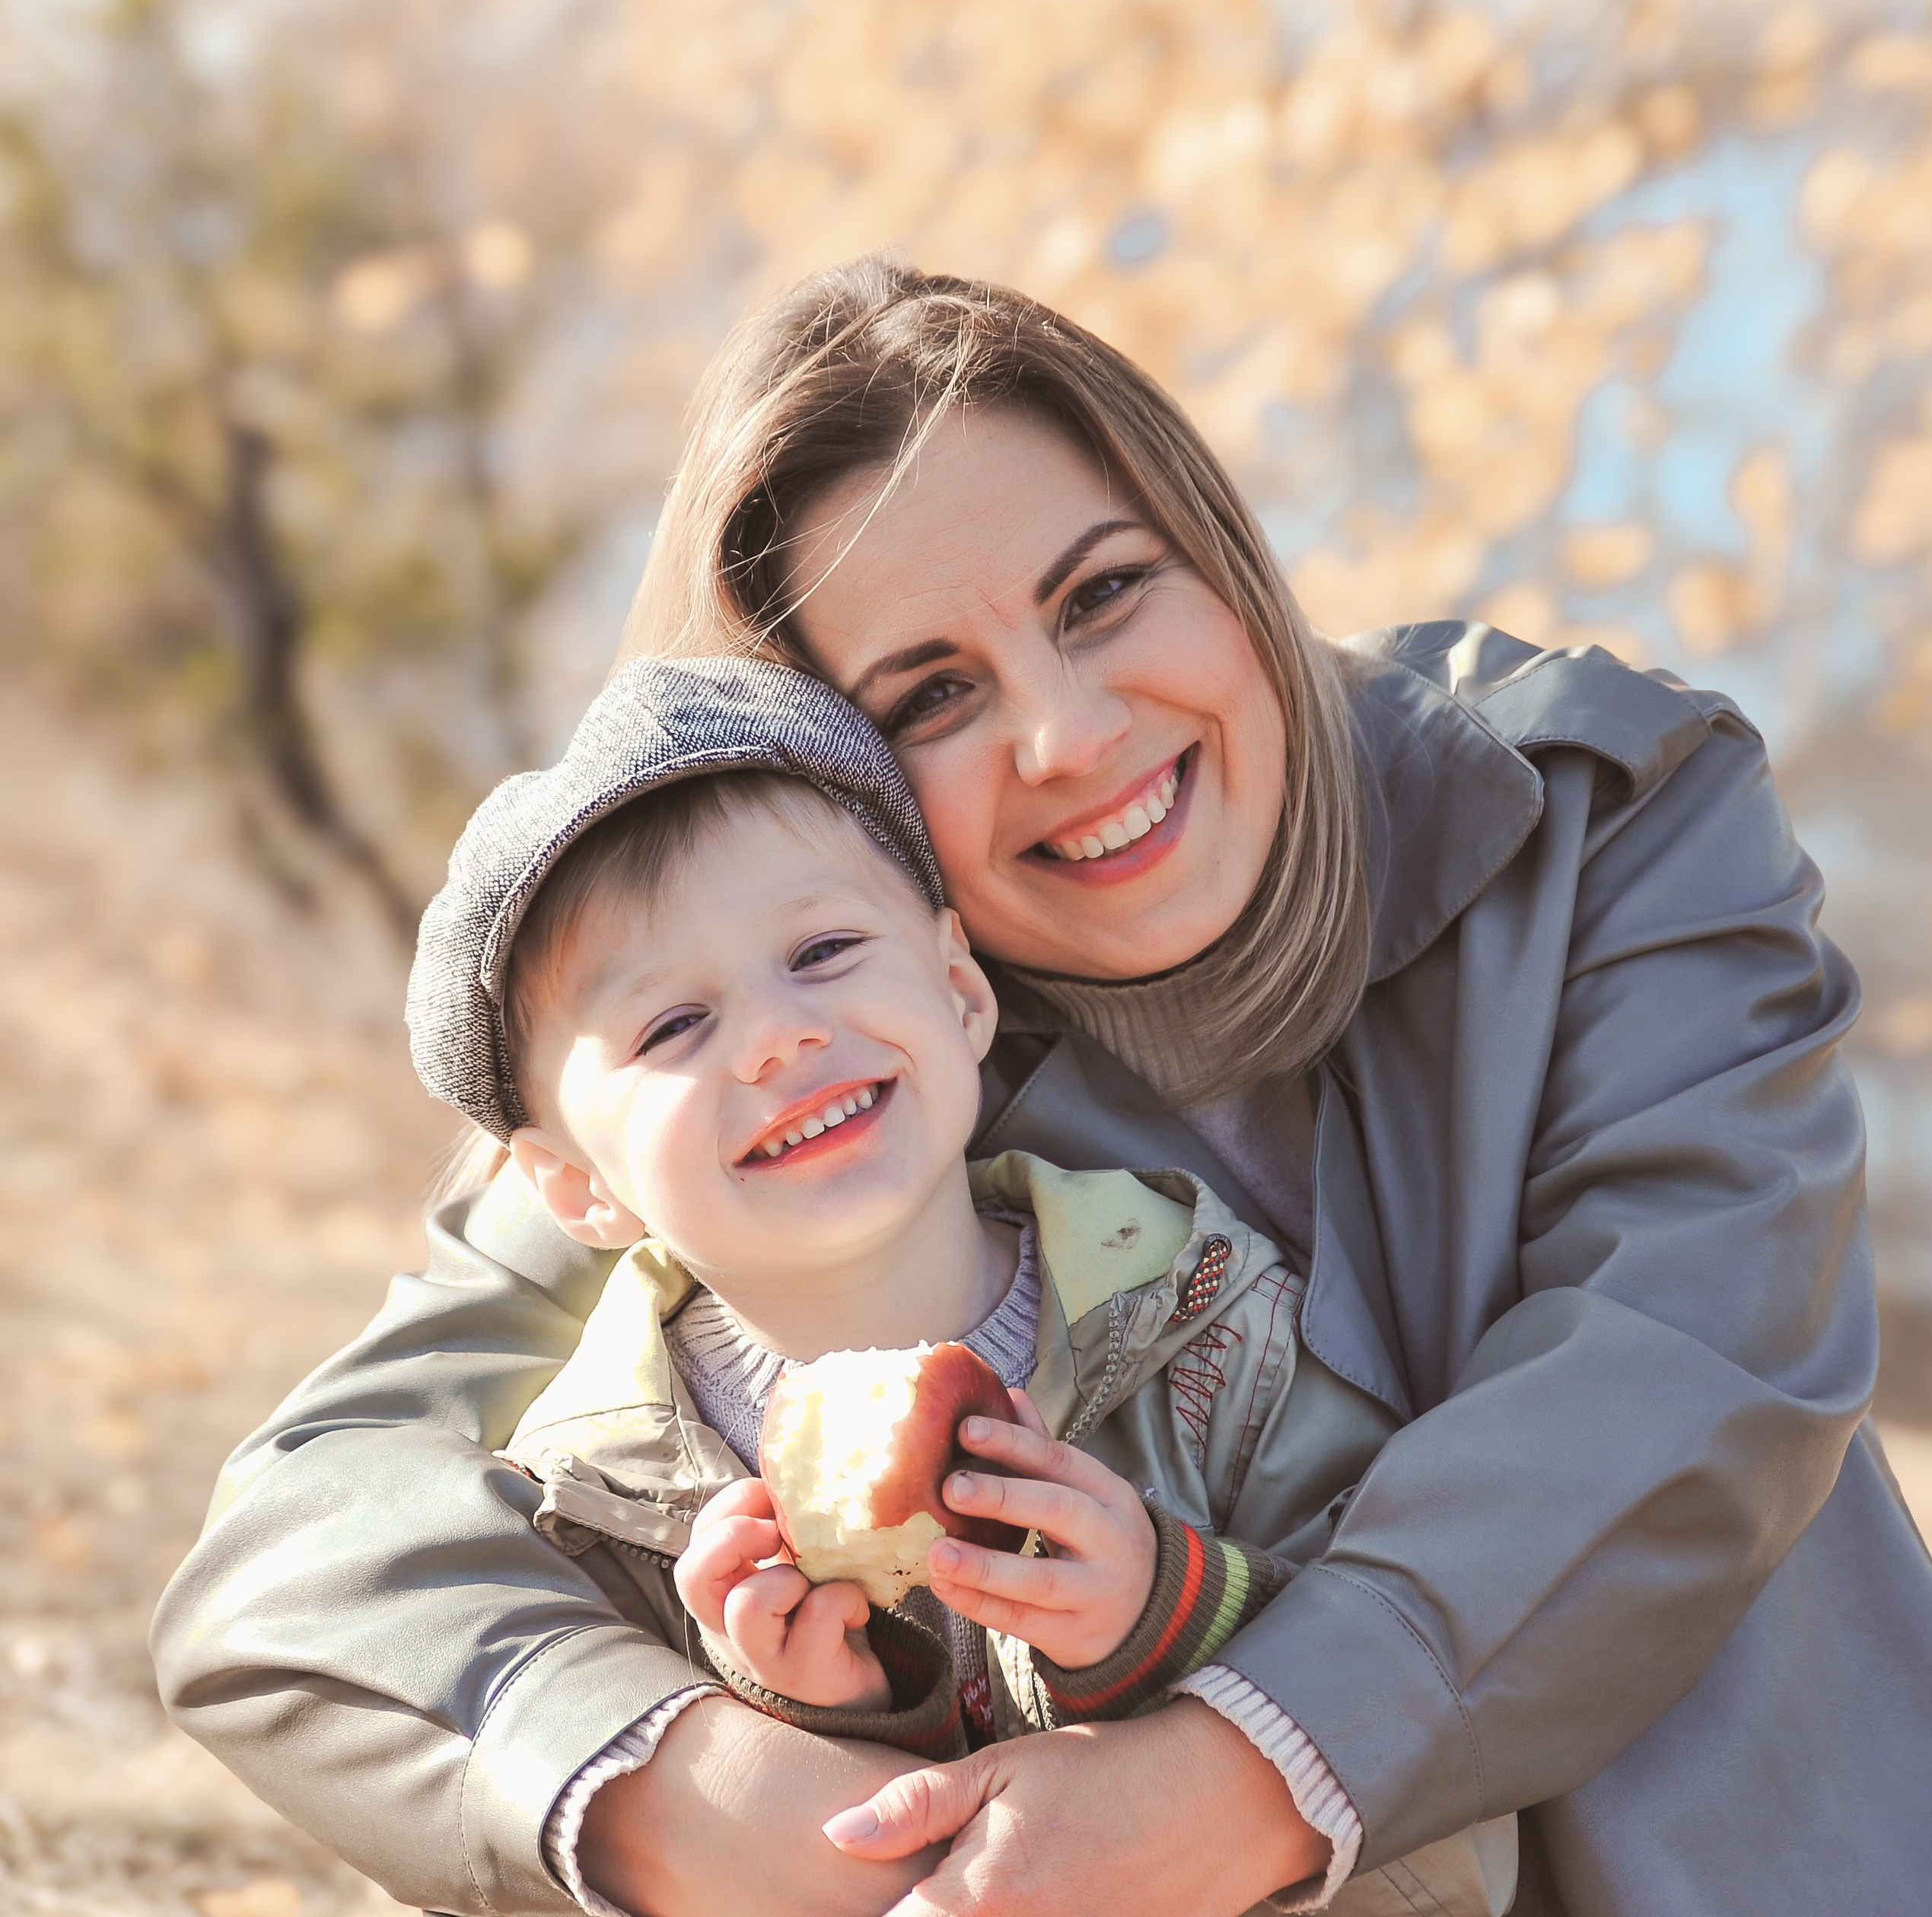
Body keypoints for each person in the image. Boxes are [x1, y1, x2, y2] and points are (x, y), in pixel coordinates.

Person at [151, 258, 1932, 1917]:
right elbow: (311, 1539)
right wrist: (718, 1791)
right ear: (823, 783)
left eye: (1103, 594)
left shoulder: (1604, 815)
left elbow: (1692, 1361)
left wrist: (1241, 1769)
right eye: (931, 695)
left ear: (1220, 552)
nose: (1067, 736)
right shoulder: (830, 1052)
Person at [399, 652, 1512, 1914]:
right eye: (671, 1027)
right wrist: (812, 1711)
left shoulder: (1209, 1320)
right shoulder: (598, 1502)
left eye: (822, 949)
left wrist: (1165, 1612)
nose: (779, 1032)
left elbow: (1425, 1726)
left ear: (960, 990)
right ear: (575, 1189)